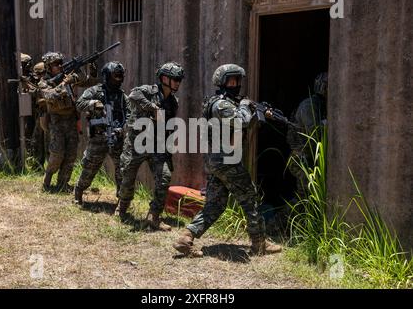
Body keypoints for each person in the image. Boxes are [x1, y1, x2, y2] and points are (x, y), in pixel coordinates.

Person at [173, 64, 283, 257]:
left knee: (215, 205)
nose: (236, 84)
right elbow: (240, 122)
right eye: (231, 80)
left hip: (217, 162)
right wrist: (245, 107)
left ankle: (186, 237)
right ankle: (259, 243)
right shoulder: (221, 104)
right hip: (226, 161)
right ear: (222, 82)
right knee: (250, 198)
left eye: (238, 81)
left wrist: (260, 112)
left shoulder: (226, 103)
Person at [118, 62, 184, 230]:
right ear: (164, 78)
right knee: (127, 178)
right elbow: (133, 95)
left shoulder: (173, 102)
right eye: (175, 79)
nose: (178, 82)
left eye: (179, 80)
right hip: (136, 144)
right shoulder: (148, 91)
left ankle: (154, 216)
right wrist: (153, 108)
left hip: (157, 146)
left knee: (164, 178)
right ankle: (122, 208)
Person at [74, 61, 129, 205]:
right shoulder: (95, 91)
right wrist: (93, 104)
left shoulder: (123, 97)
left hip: (117, 138)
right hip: (98, 137)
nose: (118, 79)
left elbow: (130, 115)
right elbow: (79, 104)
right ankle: (78, 192)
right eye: (115, 76)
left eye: (120, 76)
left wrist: (122, 129)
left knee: (122, 169)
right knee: (90, 167)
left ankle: (122, 201)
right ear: (107, 76)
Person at [39, 52, 87, 192]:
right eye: (55, 64)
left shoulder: (67, 76)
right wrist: (64, 84)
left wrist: (77, 70)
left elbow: (83, 79)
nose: (59, 66)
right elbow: (50, 96)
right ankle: (47, 181)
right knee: (57, 153)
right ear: (48, 67)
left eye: (61, 63)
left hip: (71, 119)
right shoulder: (44, 82)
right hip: (56, 121)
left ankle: (63, 183)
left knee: (71, 153)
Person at [286, 72, 328, 198]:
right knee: (305, 198)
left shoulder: (321, 105)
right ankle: (279, 219)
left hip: (311, 158)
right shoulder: (309, 105)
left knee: (308, 197)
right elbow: (314, 131)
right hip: (302, 158)